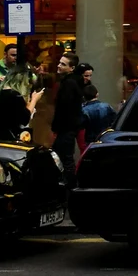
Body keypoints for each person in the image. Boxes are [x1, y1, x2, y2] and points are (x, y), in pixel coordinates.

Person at [51, 53, 85, 187]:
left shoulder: (69, 83)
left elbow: (65, 108)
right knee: (63, 157)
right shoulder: (71, 82)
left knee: (64, 158)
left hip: (66, 128)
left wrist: (56, 127)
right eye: (60, 62)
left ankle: (70, 186)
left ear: (72, 68)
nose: (59, 66)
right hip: (68, 127)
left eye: (63, 64)